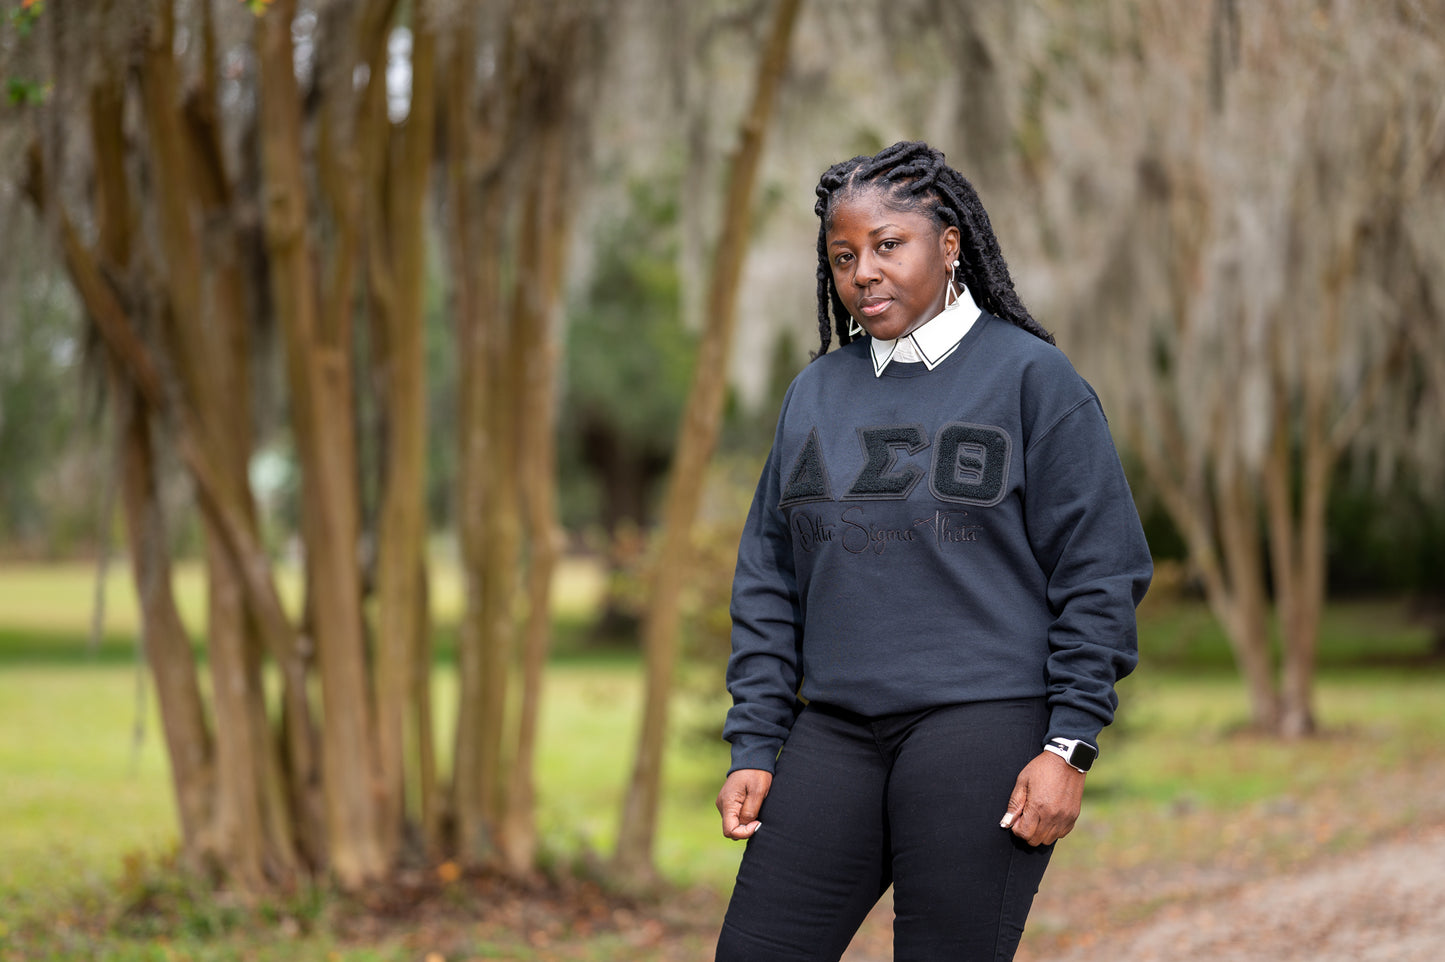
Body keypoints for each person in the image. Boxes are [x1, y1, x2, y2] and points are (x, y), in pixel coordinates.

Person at [713, 140, 1152, 961]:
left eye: (887, 245)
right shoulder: (815, 392)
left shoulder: (1031, 379)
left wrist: (1068, 746)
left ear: (949, 244)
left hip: (981, 725)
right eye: (843, 257)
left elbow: (1100, 570)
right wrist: (753, 740)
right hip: (835, 730)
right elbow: (769, 577)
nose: (863, 273)